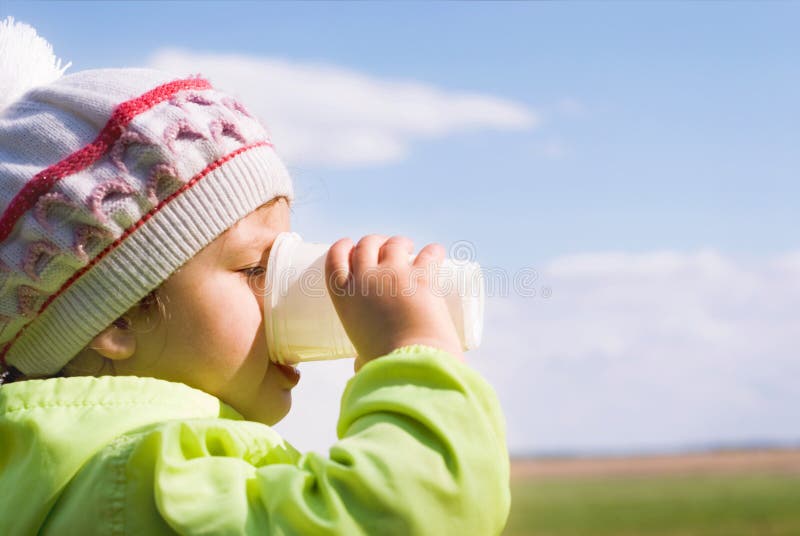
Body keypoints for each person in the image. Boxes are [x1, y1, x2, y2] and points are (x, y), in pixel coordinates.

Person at [0, 17, 510, 535]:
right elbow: (405, 515)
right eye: (255, 268)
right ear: (116, 317)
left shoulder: (64, 470)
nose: (289, 287)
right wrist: (413, 351)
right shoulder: (144, 479)